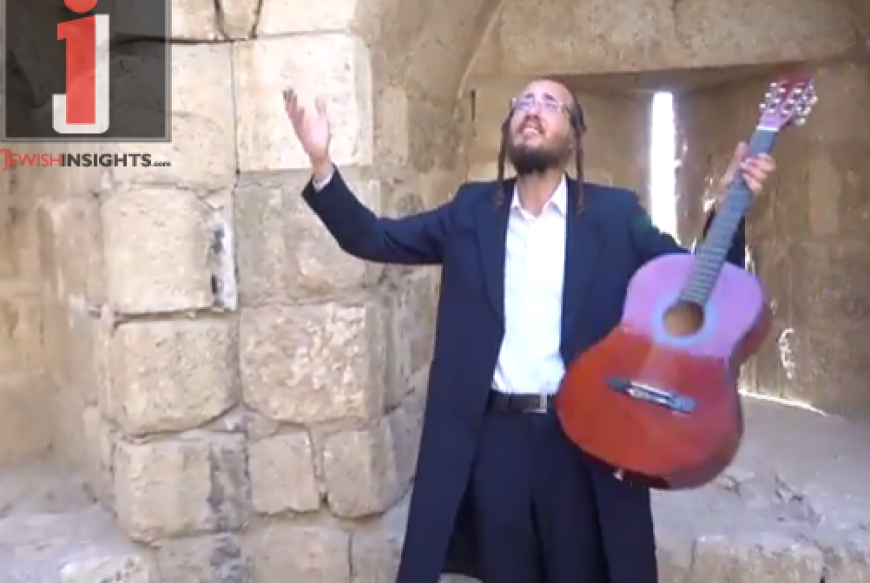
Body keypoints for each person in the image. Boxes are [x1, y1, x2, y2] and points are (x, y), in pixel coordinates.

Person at [284, 79, 775, 583]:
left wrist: (726, 212)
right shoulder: (472, 211)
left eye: (550, 103)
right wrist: (322, 164)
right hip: (496, 441)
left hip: (585, 439)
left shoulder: (614, 216)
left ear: (575, 136)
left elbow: (697, 286)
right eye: (523, 101)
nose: (533, 110)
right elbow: (375, 237)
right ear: (508, 128)